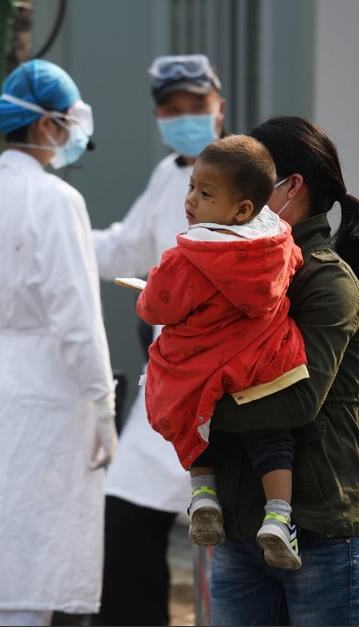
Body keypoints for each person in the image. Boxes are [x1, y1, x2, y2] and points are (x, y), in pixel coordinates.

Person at [0, 59, 116, 627]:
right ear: (45, 126)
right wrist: (103, 403)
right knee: (31, 558)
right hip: (45, 387)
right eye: (66, 123)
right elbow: (77, 317)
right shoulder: (57, 200)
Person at [206, 116, 359, 625]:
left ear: (289, 187)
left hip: (323, 531)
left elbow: (300, 400)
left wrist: (195, 407)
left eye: (250, 178)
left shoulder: (326, 282)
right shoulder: (240, 275)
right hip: (245, 529)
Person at [91, 53, 225, 626]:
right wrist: (54, 227)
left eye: (198, 106)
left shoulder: (247, 172)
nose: (187, 118)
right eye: (173, 110)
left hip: (220, 379)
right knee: (126, 515)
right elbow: (127, 247)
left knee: (235, 536)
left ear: (221, 106)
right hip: (170, 379)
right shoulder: (169, 174)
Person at [135, 135, 308, 569]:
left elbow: (156, 305)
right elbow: (293, 269)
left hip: (206, 364)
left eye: (206, 193)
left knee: (191, 415)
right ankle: (279, 515)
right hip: (266, 360)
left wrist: (152, 290)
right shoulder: (276, 242)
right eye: (192, 187)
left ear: (243, 209)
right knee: (272, 436)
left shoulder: (190, 255)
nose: (191, 199)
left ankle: (204, 493)